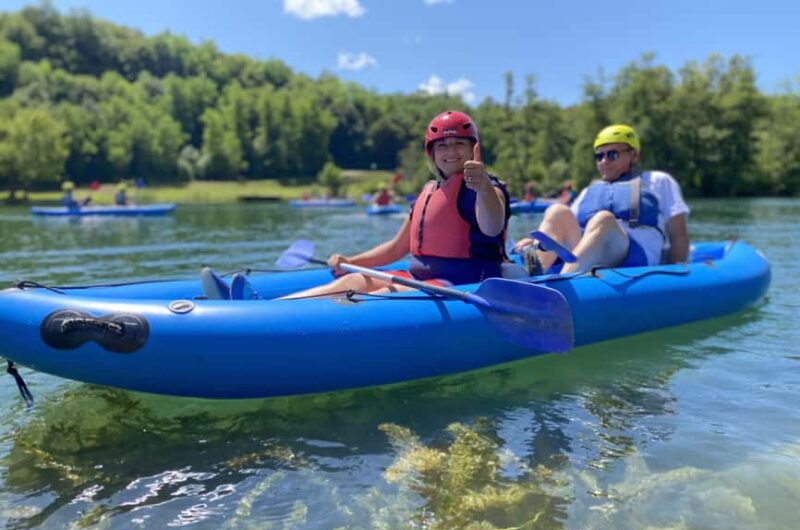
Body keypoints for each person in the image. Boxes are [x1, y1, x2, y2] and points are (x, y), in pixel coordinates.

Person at [203, 111, 510, 300]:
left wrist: (482, 185)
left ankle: (264, 319)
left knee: (375, 294)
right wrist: (353, 259)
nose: (450, 151)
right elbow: (395, 249)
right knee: (353, 279)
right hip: (422, 279)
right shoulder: (430, 190)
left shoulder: (483, 188)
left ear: (474, 148)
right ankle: (264, 309)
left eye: (459, 143)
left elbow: (492, 224)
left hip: (463, 285)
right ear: (431, 154)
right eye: (442, 145)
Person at [513, 124, 689, 275]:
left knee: (603, 219)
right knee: (557, 211)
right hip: (587, 253)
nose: (604, 161)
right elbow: (567, 229)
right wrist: (538, 241)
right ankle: (536, 274)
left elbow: (679, 235)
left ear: (634, 155)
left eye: (612, 154)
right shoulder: (589, 190)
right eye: (599, 156)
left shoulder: (658, 181)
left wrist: (675, 275)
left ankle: (564, 281)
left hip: (636, 257)